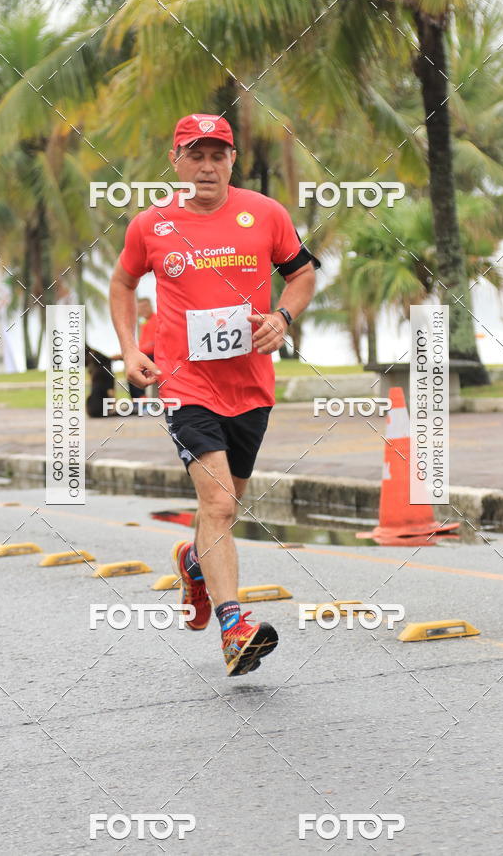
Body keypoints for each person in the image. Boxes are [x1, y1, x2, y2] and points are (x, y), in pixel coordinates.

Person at [109, 113, 318, 676]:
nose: (207, 167)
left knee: (227, 506)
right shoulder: (151, 224)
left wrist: (282, 317)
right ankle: (234, 629)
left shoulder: (266, 214)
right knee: (220, 504)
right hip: (185, 385)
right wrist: (129, 350)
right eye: (195, 155)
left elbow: (302, 274)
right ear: (175, 160)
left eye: (217, 155)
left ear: (232, 161)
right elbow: (123, 282)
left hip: (251, 387)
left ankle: (194, 565)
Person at [126, 298, 158, 401]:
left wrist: (136, 352)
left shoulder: (156, 320)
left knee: (134, 366)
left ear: (151, 306)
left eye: (145, 306)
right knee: (131, 365)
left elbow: (154, 344)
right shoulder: (144, 324)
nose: (143, 310)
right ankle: (139, 399)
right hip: (147, 355)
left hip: (156, 355)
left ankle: (140, 399)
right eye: (140, 308)